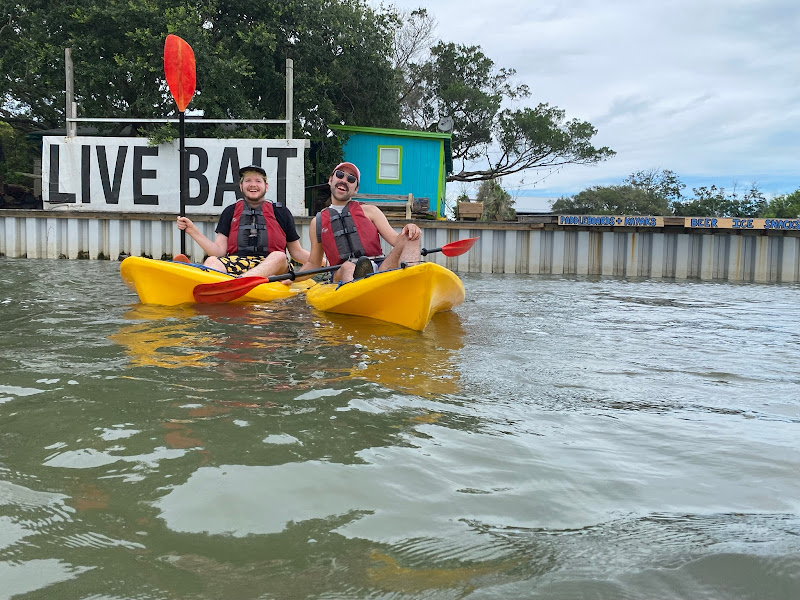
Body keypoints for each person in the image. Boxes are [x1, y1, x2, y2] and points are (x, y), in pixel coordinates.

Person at [295, 162, 422, 283]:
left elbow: (397, 240)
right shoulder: (317, 222)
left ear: (355, 189)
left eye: (350, 179)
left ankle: (409, 280)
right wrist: (291, 279)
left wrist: (411, 228)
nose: (344, 180)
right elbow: (313, 263)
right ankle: (359, 291)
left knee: (411, 237)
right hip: (341, 273)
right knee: (348, 267)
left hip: (378, 269)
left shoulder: (371, 211)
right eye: (339, 175)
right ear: (330, 180)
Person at [176, 165, 309, 277]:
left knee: (279, 256)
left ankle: (238, 281)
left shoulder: (281, 212)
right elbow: (219, 252)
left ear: (266, 186)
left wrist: (325, 262)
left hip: (273, 267)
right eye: (248, 181)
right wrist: (192, 230)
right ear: (241, 186)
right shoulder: (230, 212)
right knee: (211, 261)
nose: (253, 185)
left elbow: (297, 252)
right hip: (238, 263)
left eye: (258, 181)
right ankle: (225, 283)